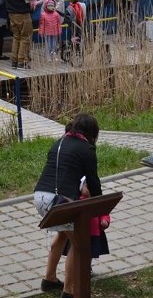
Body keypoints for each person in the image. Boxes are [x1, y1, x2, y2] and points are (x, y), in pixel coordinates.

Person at [33, 114, 102, 297]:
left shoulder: (59, 142)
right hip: (60, 201)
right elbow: (93, 183)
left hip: (40, 197)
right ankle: (69, 291)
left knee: (63, 233)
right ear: (91, 133)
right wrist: (101, 211)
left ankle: (49, 280)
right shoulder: (86, 148)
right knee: (79, 244)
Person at [60, 176, 111, 272]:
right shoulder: (77, 200)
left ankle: (87, 268)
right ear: (81, 188)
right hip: (79, 233)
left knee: (90, 253)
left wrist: (105, 221)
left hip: (94, 233)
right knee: (75, 250)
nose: (91, 190)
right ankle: (74, 268)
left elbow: (104, 211)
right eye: (88, 187)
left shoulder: (96, 199)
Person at [5, 0, 38, 69]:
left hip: (11, 13)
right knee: (25, 37)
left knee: (16, 37)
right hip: (22, 13)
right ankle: (21, 61)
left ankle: (14, 60)